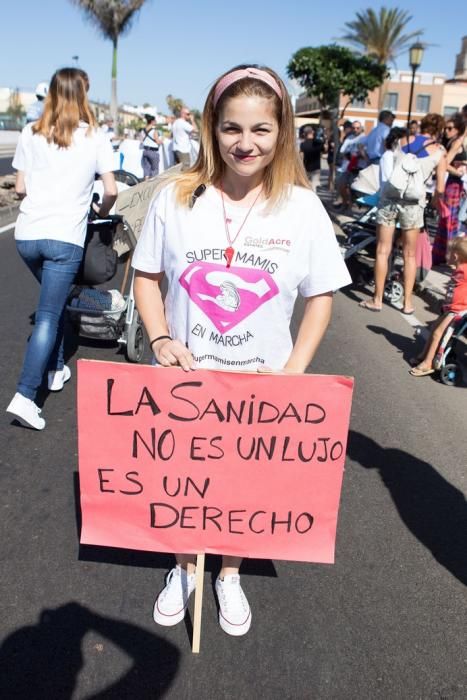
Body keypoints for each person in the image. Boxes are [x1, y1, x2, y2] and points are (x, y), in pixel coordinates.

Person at [131, 63, 351, 637]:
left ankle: (228, 573)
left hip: (262, 387)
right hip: (185, 383)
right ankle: (182, 567)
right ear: (212, 129)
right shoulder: (175, 198)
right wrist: (159, 339)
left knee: (243, 489)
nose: (245, 143)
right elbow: (147, 277)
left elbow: (322, 296)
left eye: (260, 129)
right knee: (184, 482)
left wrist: (294, 371)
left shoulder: (302, 209)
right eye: (232, 129)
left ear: (281, 134)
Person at [6, 68, 117, 430]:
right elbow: (112, 190)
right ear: (83, 95)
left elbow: (20, 188)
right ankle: (25, 396)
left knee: (51, 305)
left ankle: (55, 369)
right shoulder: (95, 136)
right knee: (49, 316)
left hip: (27, 236)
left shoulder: (29, 131)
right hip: (64, 238)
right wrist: (98, 210)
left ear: (51, 94)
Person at [359, 113, 446, 314]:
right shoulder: (440, 151)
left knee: (382, 250)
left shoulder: (402, 141)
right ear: (439, 130)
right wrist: (432, 203)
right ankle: (407, 304)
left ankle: (377, 299)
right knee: (409, 255)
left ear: (422, 125)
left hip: (390, 198)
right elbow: (440, 188)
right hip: (413, 205)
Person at [409, 236, 467, 376]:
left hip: (457, 310)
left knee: (437, 333)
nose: (446, 255)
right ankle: (424, 355)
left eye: (448, 252)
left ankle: (429, 362)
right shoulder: (459, 269)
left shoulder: (465, 270)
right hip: (450, 308)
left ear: (455, 255)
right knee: (434, 328)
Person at [432, 113, 466, 264]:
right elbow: (445, 163)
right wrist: (458, 171)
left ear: (458, 129)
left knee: (449, 220)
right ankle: (447, 255)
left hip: (456, 184)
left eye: (450, 128)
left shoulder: (458, 140)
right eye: (446, 128)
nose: (447, 131)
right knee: (450, 220)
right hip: (453, 184)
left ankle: (444, 254)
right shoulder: (457, 142)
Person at [335, 121, 365, 210]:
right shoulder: (349, 138)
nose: (355, 130)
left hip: (358, 167)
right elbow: (342, 151)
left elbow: (366, 154)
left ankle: (351, 207)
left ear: (361, 128)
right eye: (353, 128)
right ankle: (345, 203)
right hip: (346, 167)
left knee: (353, 189)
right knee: (341, 185)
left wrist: (358, 155)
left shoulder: (364, 138)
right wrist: (348, 156)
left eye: (357, 128)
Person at [299, 126, 323, 191]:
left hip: (306, 167)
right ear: (312, 132)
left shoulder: (303, 144)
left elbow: (301, 156)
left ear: (305, 134)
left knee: (307, 185)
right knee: (314, 184)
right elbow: (324, 151)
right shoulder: (319, 143)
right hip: (316, 167)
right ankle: (314, 197)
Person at [140, 113, 162, 179]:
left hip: (145, 151)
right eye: (155, 121)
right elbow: (158, 142)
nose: (156, 122)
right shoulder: (154, 131)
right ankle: (153, 187)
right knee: (154, 170)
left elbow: (141, 141)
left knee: (146, 170)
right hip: (153, 152)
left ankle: (145, 185)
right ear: (152, 121)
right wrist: (162, 140)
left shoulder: (143, 130)